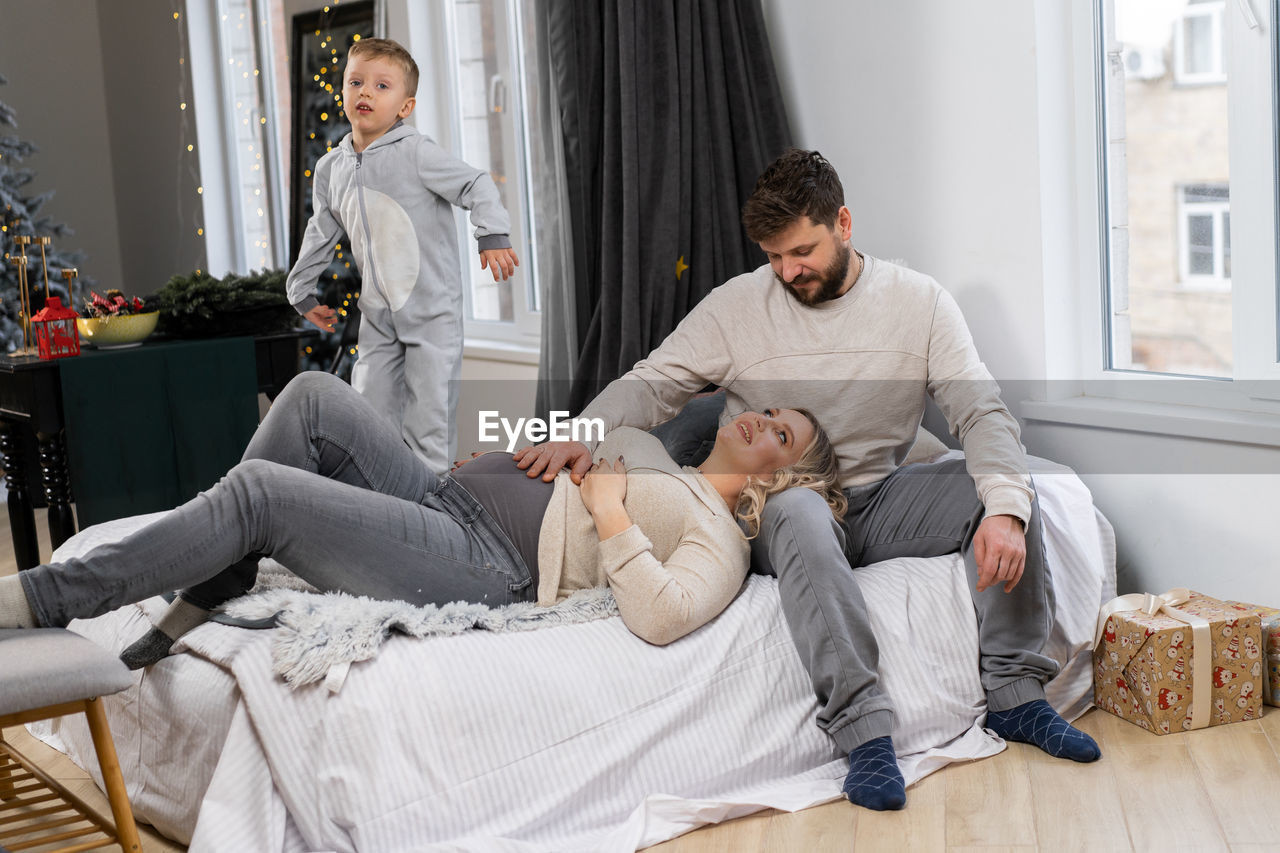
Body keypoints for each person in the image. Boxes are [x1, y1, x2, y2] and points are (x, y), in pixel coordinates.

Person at [513, 149, 1100, 811]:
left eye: (801, 251)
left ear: (843, 223)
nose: (788, 272)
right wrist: (581, 430)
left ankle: (1017, 697)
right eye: (773, 257)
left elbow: (981, 411)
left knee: (1007, 485)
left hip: (878, 498)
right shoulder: (737, 307)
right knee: (796, 507)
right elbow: (653, 383)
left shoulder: (920, 304)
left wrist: (1004, 510)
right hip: (784, 502)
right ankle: (865, 734)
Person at [0, 372, 846, 672]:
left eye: (783, 432)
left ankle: (44, 596)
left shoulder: (722, 536)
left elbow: (665, 614)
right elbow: (565, 438)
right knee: (312, 398)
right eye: (768, 408)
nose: (761, 419)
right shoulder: (658, 446)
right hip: (445, 492)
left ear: (786, 480)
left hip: (489, 561)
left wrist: (614, 513)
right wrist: (562, 438)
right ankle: (222, 567)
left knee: (261, 491)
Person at [286, 37, 520, 474]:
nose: (365, 93)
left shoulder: (416, 153)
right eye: (356, 82)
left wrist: (492, 234)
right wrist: (301, 293)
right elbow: (320, 231)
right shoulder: (331, 169)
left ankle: (431, 512)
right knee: (368, 413)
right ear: (343, 91)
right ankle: (379, 506)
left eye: (381, 86)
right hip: (379, 314)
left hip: (432, 312)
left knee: (429, 422)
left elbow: (475, 184)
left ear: (405, 107)